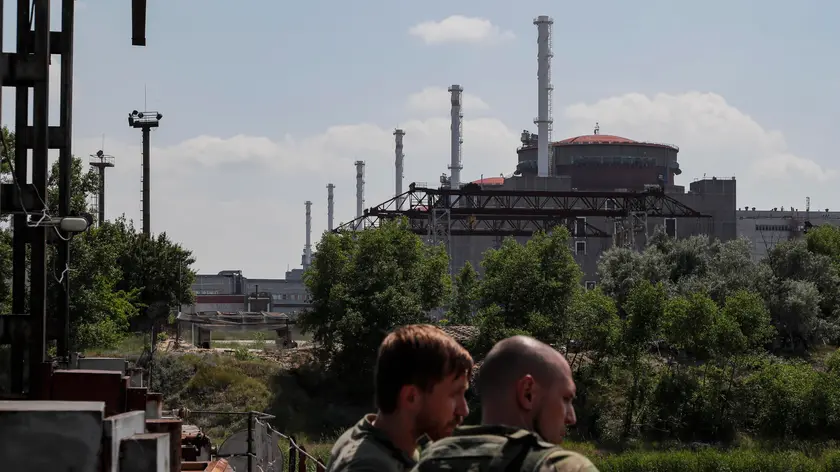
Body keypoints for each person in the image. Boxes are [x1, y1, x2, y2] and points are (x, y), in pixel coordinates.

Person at [412, 335, 599, 472]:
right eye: (565, 399)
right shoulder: (565, 467)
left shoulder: (426, 463)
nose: (571, 418)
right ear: (527, 393)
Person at [326, 324, 474, 472]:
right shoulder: (369, 466)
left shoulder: (393, 446)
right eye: (454, 394)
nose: (464, 410)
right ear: (411, 397)